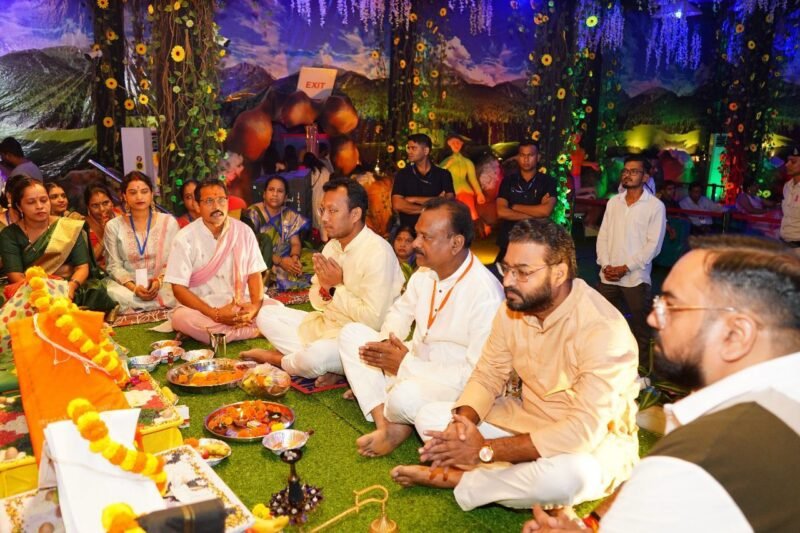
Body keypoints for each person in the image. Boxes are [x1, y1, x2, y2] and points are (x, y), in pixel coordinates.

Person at [523, 235, 800, 532]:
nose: (654, 319)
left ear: (736, 335)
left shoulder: (696, 459)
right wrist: (592, 524)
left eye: (672, 305)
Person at [391, 219, 640, 513]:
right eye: (506, 269)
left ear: (559, 273)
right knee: (431, 417)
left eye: (522, 272)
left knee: (567, 478)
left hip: (590, 444)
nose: (508, 281)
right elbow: (487, 374)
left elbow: (583, 430)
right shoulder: (513, 309)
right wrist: (462, 427)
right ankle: (509, 477)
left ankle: (461, 478)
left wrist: (484, 450)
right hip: (524, 420)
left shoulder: (604, 329)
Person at [338, 198, 504, 457]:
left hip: (450, 384)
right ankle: (386, 424)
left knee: (406, 397)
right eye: (417, 234)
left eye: (426, 237)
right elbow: (400, 312)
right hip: (411, 360)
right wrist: (386, 346)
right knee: (352, 335)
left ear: (456, 243)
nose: (415, 243)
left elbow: (474, 375)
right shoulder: (425, 273)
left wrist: (404, 365)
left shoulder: (485, 295)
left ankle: (387, 405)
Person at [240, 179, 404, 387]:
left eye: (332, 211)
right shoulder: (332, 247)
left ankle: (277, 359)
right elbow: (316, 301)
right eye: (322, 210)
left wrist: (335, 288)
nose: (324, 218)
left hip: (361, 341)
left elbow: (373, 322)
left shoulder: (378, 253)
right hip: (325, 326)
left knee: (315, 357)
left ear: (355, 214)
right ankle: (338, 369)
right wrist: (326, 289)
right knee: (266, 315)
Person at [165, 178, 267, 344]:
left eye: (221, 200)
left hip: (241, 303)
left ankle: (222, 333)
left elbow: (254, 273)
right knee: (182, 318)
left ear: (228, 201)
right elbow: (178, 288)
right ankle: (254, 331)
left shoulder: (243, 231)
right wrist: (215, 314)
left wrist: (254, 308)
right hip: (204, 309)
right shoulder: (184, 238)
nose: (216, 206)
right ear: (197, 206)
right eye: (209, 201)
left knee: (273, 310)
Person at [0, 177, 115, 310]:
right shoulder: (10, 234)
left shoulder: (68, 227)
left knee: (96, 291)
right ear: (19, 206)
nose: (39, 206)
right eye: (31, 202)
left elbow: (82, 267)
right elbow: (16, 275)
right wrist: (43, 288)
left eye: (44, 200)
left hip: (68, 285)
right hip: (31, 288)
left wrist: (71, 286)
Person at [596, 154, 666, 366]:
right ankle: (603, 366)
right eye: (625, 171)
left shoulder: (655, 206)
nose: (627, 175)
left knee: (640, 329)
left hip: (636, 277)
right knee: (601, 323)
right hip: (608, 275)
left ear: (645, 177)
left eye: (634, 171)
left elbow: (653, 246)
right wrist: (606, 265)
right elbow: (603, 235)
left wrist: (626, 268)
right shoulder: (613, 202)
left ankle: (641, 373)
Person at [103, 172, 179, 313]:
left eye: (144, 192)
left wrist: (158, 282)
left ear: (152, 194)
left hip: (163, 283)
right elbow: (113, 265)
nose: (139, 197)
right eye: (133, 193)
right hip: (129, 287)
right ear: (124, 196)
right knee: (111, 292)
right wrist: (134, 288)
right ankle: (148, 303)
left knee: (181, 288)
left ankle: (142, 305)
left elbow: (176, 260)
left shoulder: (168, 222)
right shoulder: (113, 226)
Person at [241, 175, 312, 290]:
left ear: (285, 197)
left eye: (280, 191)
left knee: (313, 260)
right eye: (271, 190)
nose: (275, 194)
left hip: (286, 258)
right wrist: (280, 261)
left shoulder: (289, 215)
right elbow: (250, 247)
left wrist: (294, 259)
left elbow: (295, 243)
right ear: (264, 194)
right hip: (262, 260)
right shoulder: (253, 213)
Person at [495, 140, 558, 263]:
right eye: (522, 155)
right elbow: (501, 212)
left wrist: (514, 206)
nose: (526, 159)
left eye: (530, 155)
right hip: (509, 240)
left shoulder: (548, 182)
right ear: (518, 157)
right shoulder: (508, 181)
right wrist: (536, 214)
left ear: (538, 157)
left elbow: (546, 211)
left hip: (536, 240)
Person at [391, 134, 455, 229]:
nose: (409, 151)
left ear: (426, 151)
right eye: (408, 148)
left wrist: (414, 199)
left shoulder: (443, 174)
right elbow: (397, 204)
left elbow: (448, 202)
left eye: (414, 148)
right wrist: (434, 204)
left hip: (435, 228)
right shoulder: (403, 174)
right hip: (408, 229)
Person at [440, 134, 485, 221]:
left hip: (466, 192)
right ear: (448, 144)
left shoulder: (467, 161)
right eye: (453, 143)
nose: (456, 145)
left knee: (471, 215)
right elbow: (439, 174)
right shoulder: (446, 161)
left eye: (458, 143)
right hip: (451, 193)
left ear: (462, 144)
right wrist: (446, 166)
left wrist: (479, 193)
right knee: (453, 216)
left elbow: (473, 179)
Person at [83, 183, 120, 270]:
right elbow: (88, 262)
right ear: (88, 207)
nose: (102, 209)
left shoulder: (121, 219)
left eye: (105, 203)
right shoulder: (84, 226)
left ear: (112, 202)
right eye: (95, 206)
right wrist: (105, 234)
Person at [306, 152, 332, 242]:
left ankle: (323, 241)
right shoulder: (325, 170)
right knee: (324, 218)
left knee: (318, 220)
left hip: (315, 198)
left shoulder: (310, 172)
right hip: (325, 196)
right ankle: (325, 239)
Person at [780, 145, 800, 246]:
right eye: (787, 161)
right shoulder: (787, 186)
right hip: (784, 244)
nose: (787, 164)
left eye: (793, 162)